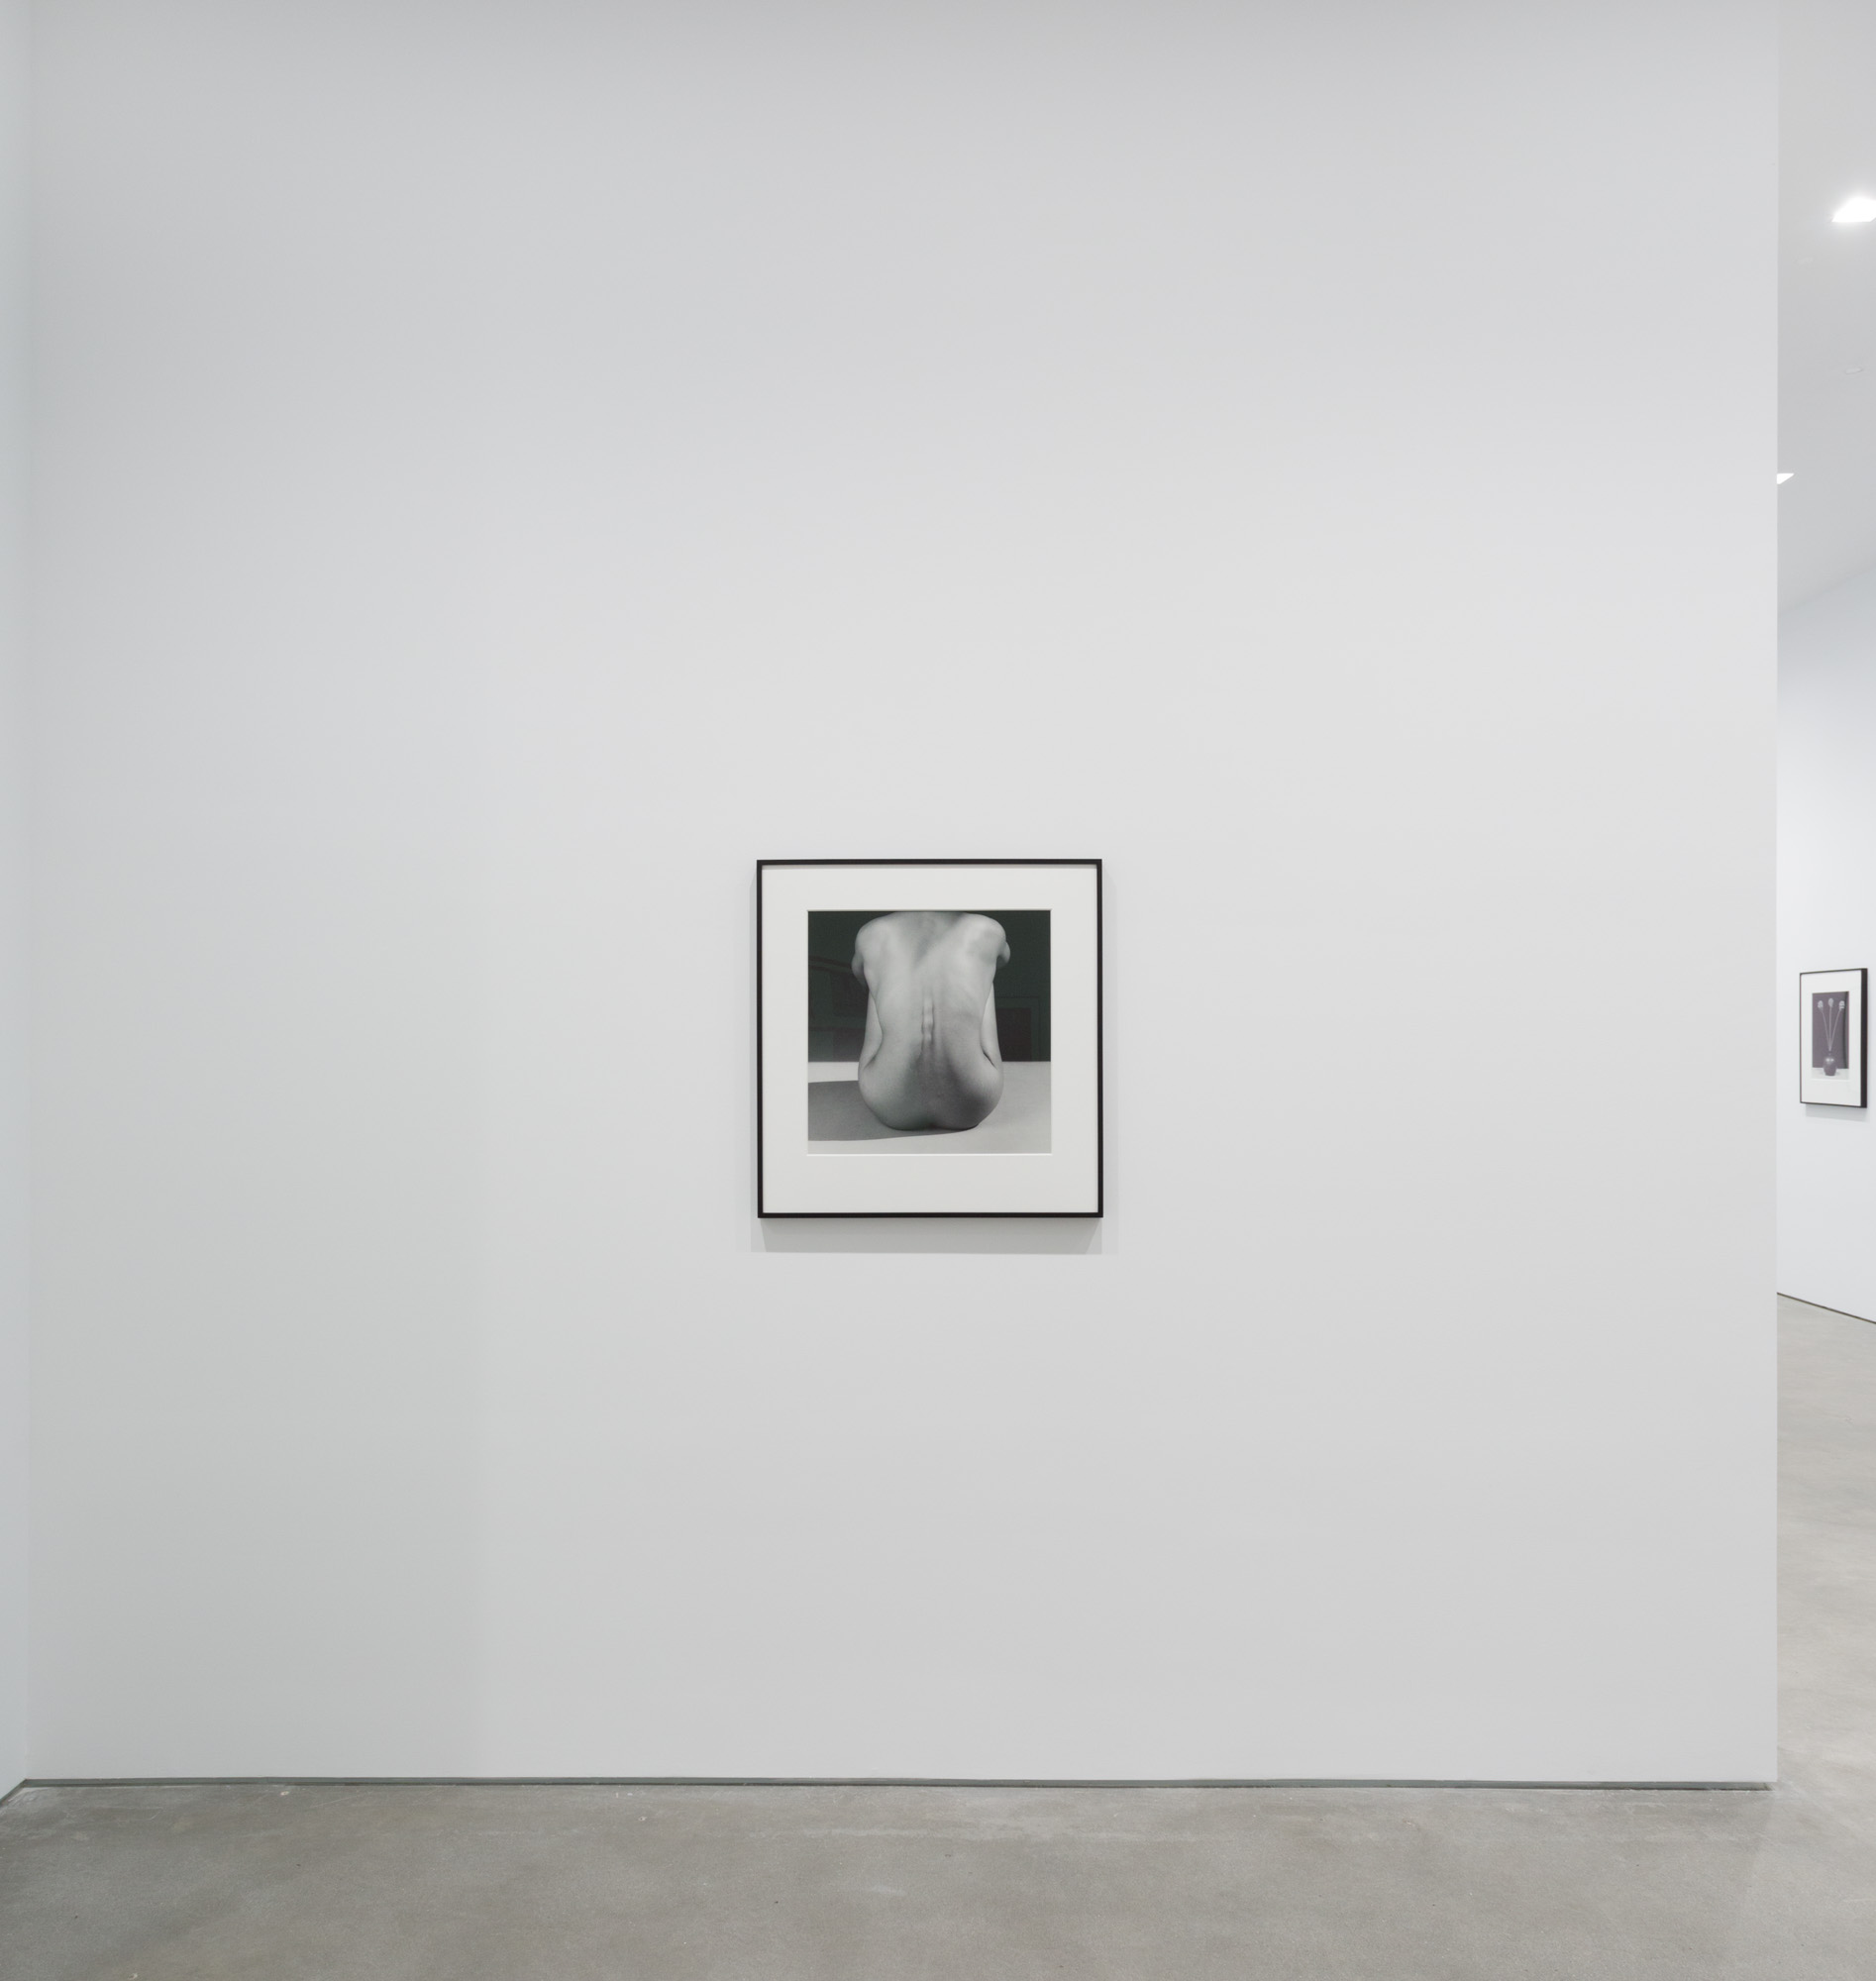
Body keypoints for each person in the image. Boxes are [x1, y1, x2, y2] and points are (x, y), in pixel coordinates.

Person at [851, 911, 1009, 1130]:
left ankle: (900, 1072)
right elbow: (1003, 958)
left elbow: (859, 975)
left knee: (876, 977)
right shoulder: (989, 929)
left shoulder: (871, 933)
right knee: (985, 973)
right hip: (973, 1100)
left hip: (888, 1101)